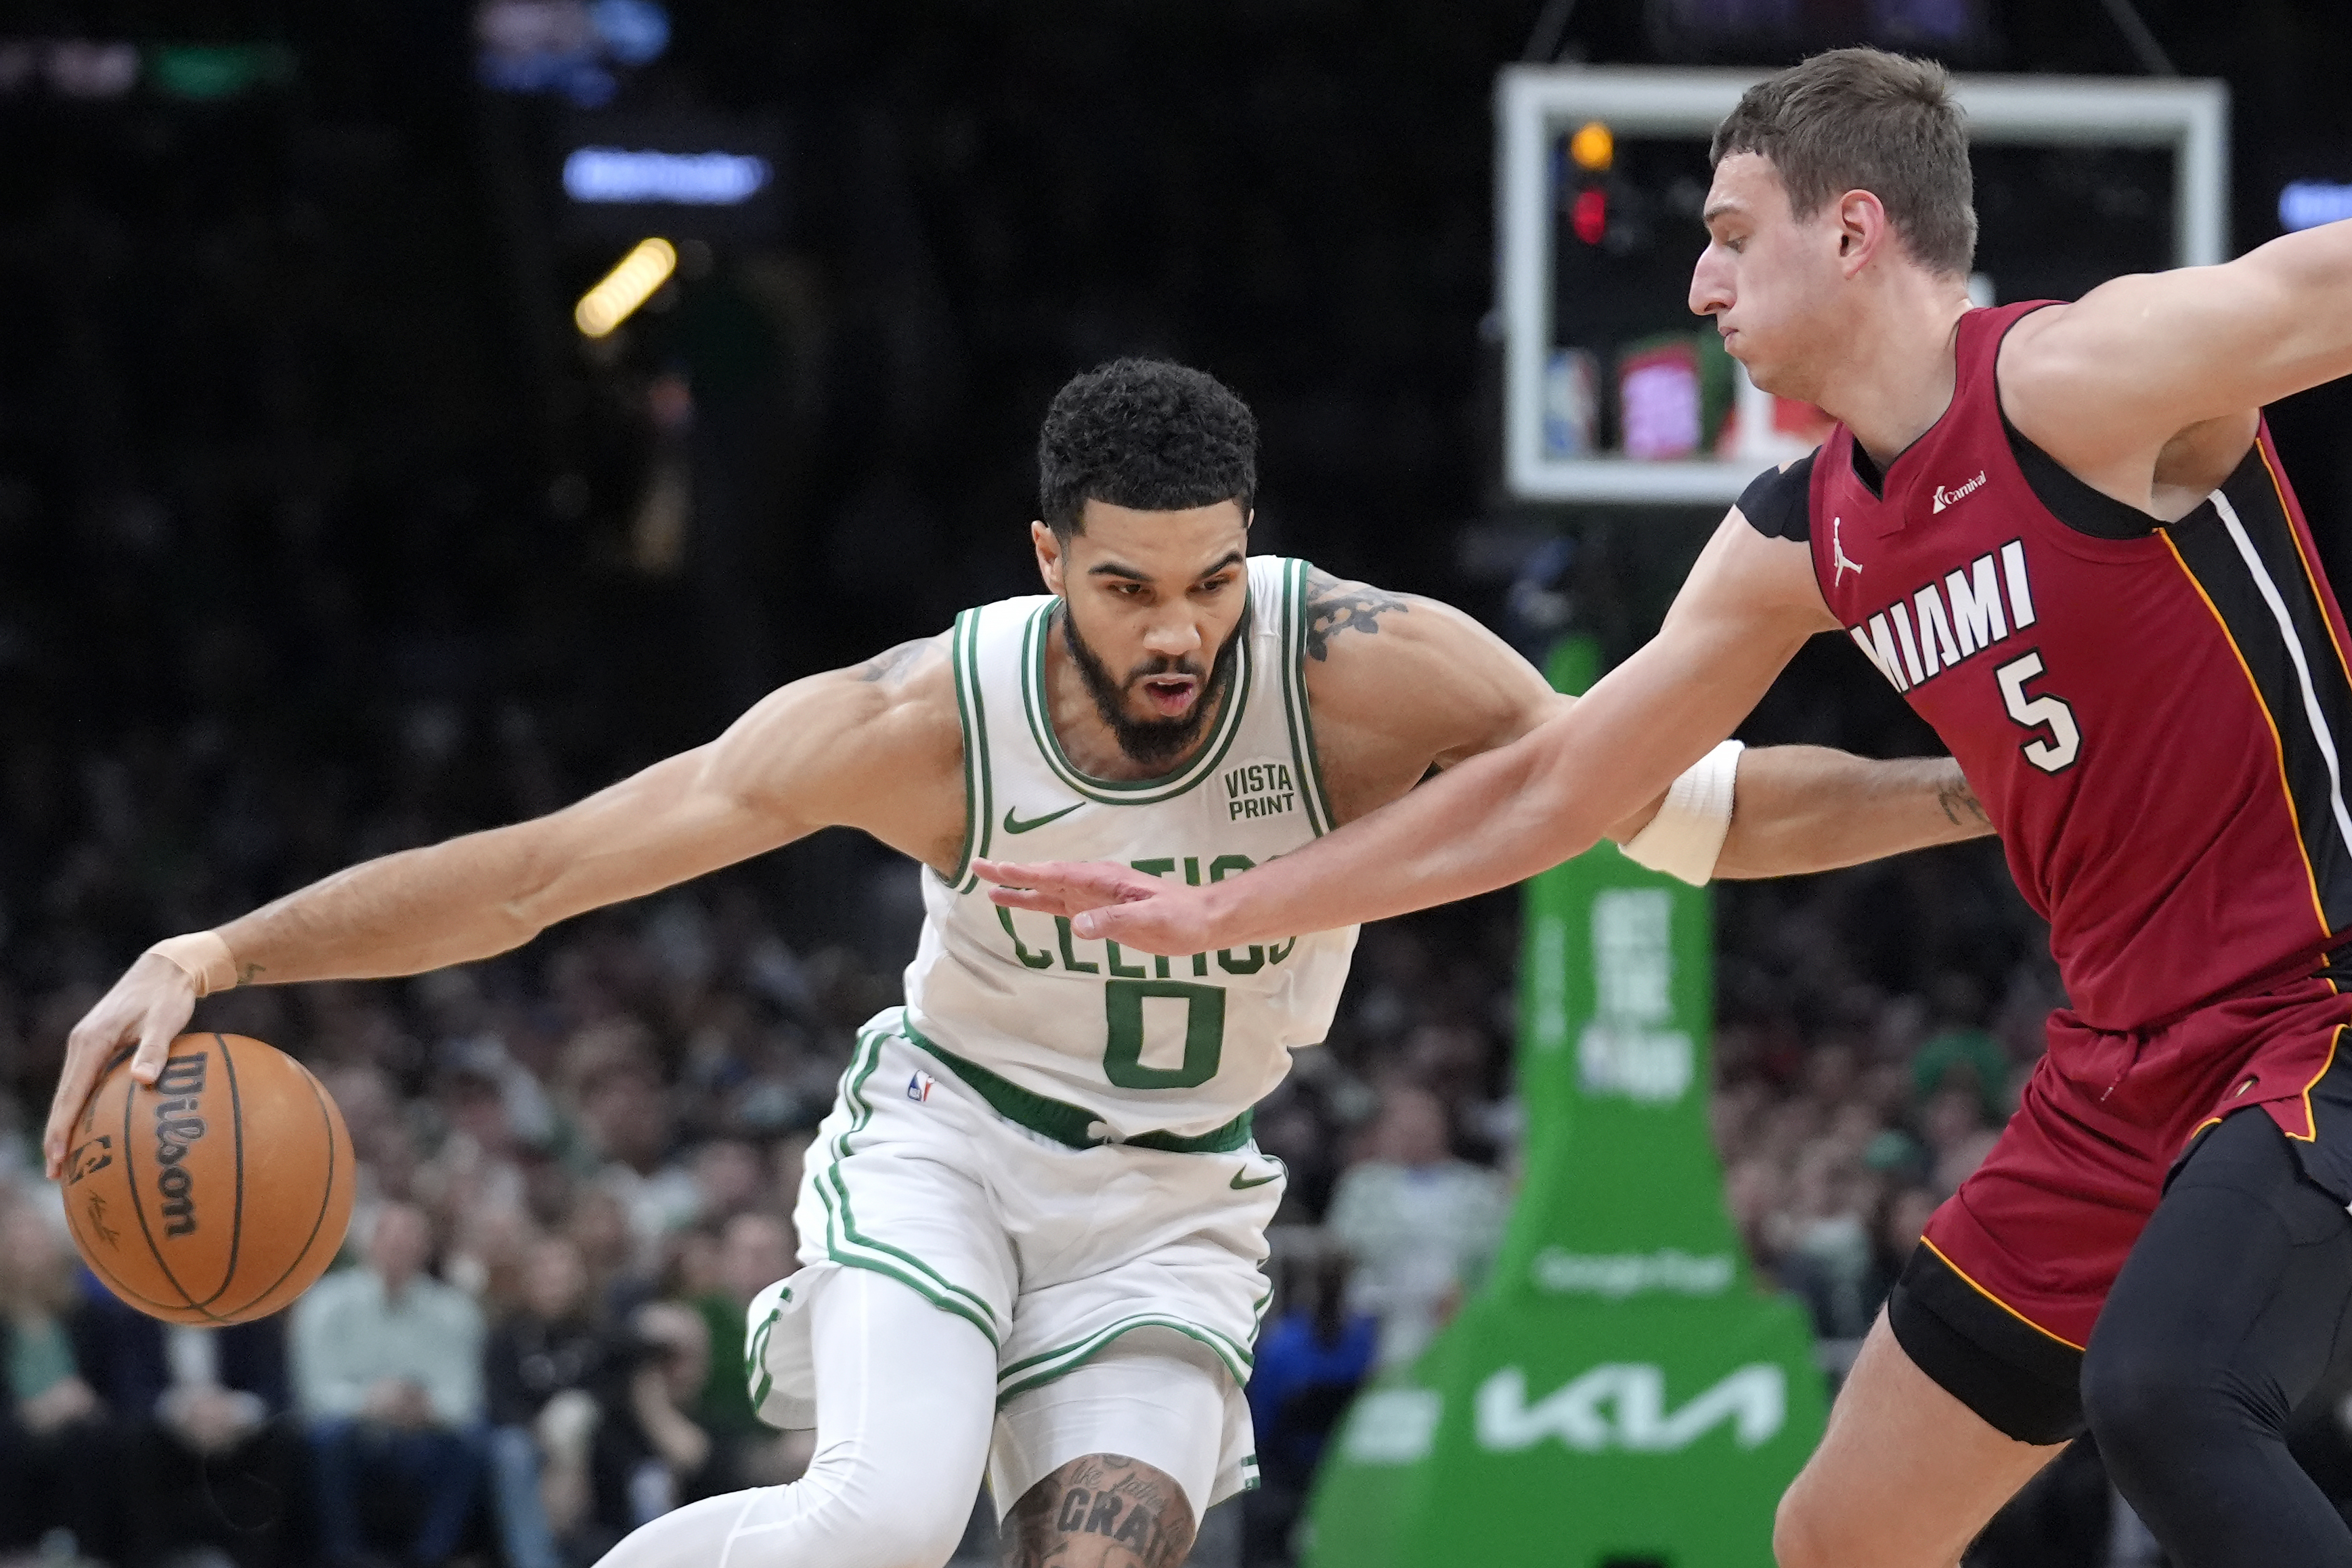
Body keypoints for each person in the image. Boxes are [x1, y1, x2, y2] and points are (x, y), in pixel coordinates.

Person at [49, 357, 1988, 1568]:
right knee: (881, 1522)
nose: (1179, 628)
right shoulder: (917, 717)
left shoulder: (1373, 670)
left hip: (1174, 1201)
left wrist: (1990, 790)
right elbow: (549, 873)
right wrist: (219, 949)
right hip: (948, 1150)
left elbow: (1710, 811)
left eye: (1215, 578)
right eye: (1129, 582)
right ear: (1047, 552)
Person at [978, 49, 2352, 1568]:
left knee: (2166, 1395)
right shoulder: (1799, 532)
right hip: (2118, 1072)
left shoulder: (2083, 378)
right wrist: (1226, 905)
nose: (1699, 284)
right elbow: (1567, 786)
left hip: (2322, 1007)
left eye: (1727, 233)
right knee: (1843, 1535)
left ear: (1850, 230)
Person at [292, 1201, 488, 1568]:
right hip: (354, 1430)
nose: (399, 1250)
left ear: (425, 1249)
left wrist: (423, 1408)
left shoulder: (454, 1311)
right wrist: (371, 1402)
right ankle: (346, 1557)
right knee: (326, 1438)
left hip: (425, 1434)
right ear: (368, 1245)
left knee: (472, 1443)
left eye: (410, 1241)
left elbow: (464, 1398)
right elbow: (314, 1394)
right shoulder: (326, 1304)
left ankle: (431, 1557)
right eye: (391, 1240)